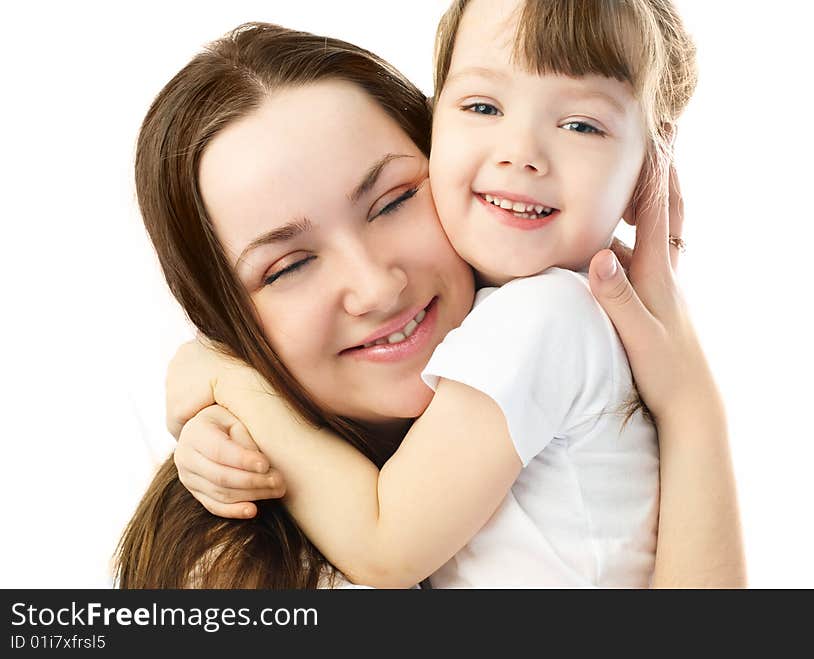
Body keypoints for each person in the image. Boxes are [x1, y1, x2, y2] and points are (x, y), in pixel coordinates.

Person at [116, 19, 744, 589]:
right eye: (290, 265)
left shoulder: (540, 320)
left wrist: (226, 381)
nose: (377, 287)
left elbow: (386, 542)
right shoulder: (245, 568)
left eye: (393, 201)